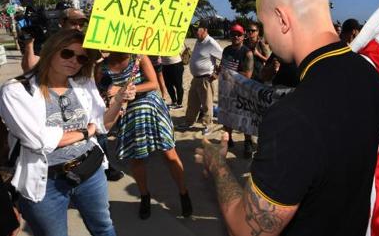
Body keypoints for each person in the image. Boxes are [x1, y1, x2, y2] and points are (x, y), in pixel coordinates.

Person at [195, 0, 379, 235]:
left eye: (264, 26)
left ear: (282, 19)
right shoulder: (372, 76)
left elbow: (247, 229)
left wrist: (217, 167)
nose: (265, 36)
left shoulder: (293, 116)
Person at [0, 29, 135, 236]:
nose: (74, 61)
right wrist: (86, 132)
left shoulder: (83, 83)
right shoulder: (17, 90)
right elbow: (39, 141)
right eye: (67, 53)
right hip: (47, 182)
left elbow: (103, 125)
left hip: (90, 171)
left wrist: (119, 101)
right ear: (51, 50)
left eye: (81, 58)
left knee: (104, 227)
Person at [96, 52, 192, 220]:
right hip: (129, 115)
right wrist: (110, 96)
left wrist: (127, 88)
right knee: (137, 158)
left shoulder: (138, 57)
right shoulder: (100, 67)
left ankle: (183, 192)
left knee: (169, 154)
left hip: (152, 109)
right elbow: (101, 94)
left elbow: (153, 83)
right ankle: (145, 196)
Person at [220, 24, 255, 158]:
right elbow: (223, 66)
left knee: (244, 117)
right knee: (227, 116)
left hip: (242, 90)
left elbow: (247, 75)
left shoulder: (247, 53)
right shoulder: (227, 50)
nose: (236, 36)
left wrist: (228, 73)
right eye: (233, 34)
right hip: (226, 88)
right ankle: (229, 139)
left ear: (243, 36)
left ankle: (248, 142)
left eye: (239, 34)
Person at [182, 19, 223, 132]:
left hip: (206, 78)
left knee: (207, 104)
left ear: (205, 30)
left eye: (197, 29)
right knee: (192, 102)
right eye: (194, 29)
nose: (195, 31)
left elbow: (225, 57)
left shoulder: (211, 42)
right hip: (195, 78)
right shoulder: (199, 40)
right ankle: (189, 122)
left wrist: (217, 73)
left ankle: (207, 125)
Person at [21, 8, 88, 72]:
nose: (78, 27)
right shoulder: (49, 41)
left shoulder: (83, 44)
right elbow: (29, 69)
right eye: (73, 23)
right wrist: (29, 44)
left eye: (81, 25)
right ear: (62, 22)